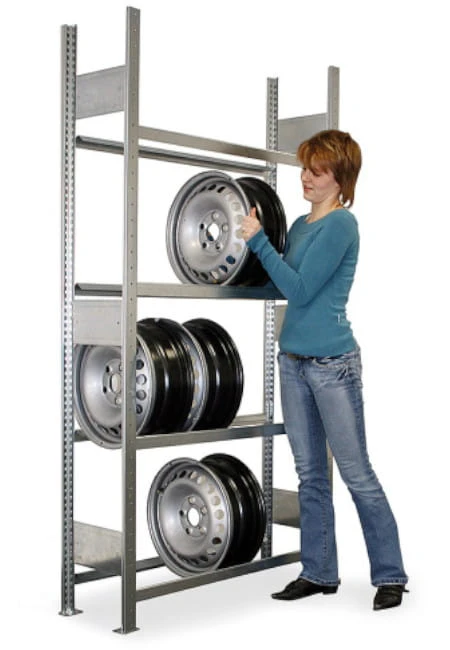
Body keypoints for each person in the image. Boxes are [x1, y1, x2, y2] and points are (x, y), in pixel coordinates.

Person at [240, 129, 408, 611]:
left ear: (341, 178)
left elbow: (300, 290)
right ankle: (318, 572)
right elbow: (280, 282)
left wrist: (258, 242)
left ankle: (390, 575)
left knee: (356, 474)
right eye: (305, 169)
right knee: (310, 475)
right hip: (292, 363)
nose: (306, 178)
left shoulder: (341, 225)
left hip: (333, 366)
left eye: (318, 171)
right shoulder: (299, 225)